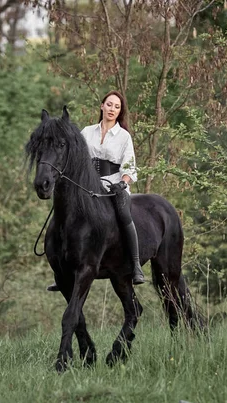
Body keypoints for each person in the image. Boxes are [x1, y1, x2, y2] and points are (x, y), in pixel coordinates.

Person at [47, 90, 145, 291]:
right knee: (63, 211)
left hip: (112, 186)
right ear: (102, 106)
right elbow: (74, 158)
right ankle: (60, 271)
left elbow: (130, 167)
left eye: (117, 107)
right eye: (109, 105)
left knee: (124, 213)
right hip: (86, 186)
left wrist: (123, 183)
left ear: (120, 112)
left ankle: (135, 265)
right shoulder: (86, 132)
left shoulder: (124, 136)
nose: (112, 109)